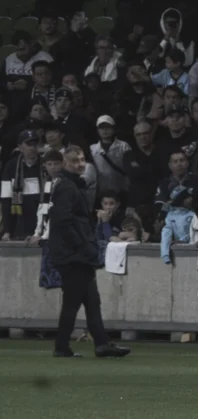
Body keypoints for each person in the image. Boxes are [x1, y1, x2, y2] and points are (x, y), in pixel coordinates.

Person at [47, 146, 131, 359]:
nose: (80, 164)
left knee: (89, 301)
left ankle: (99, 344)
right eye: (74, 161)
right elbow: (63, 221)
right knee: (75, 302)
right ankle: (63, 346)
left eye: (82, 160)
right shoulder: (68, 187)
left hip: (74, 254)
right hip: (74, 255)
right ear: (66, 164)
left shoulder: (70, 185)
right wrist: (83, 246)